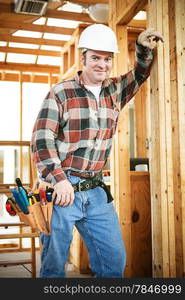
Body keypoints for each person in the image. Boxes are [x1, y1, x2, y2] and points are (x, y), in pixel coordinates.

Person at [31, 24, 163, 278]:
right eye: (95, 58)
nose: (102, 65)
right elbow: (41, 139)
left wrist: (144, 48)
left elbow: (139, 74)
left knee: (114, 261)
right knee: (53, 267)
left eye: (107, 59)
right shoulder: (61, 92)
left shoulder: (114, 91)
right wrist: (59, 180)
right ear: (83, 59)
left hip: (96, 190)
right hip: (61, 190)